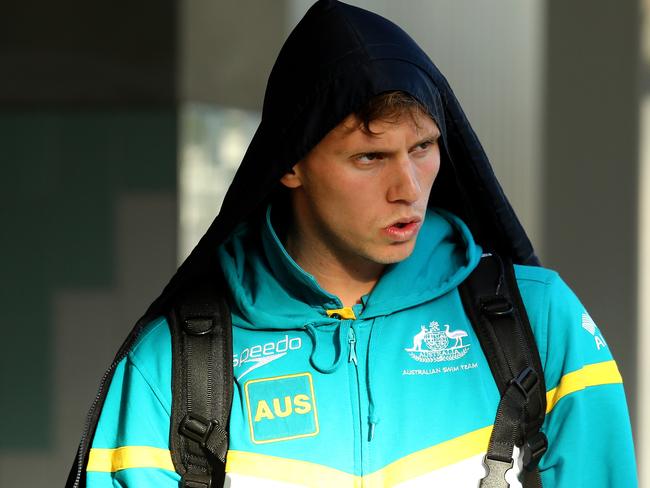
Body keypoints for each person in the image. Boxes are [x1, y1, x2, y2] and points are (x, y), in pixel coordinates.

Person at [67, 1, 638, 487]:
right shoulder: (172, 365)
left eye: (423, 148)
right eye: (370, 157)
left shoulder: (536, 321)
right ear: (289, 164)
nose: (408, 189)